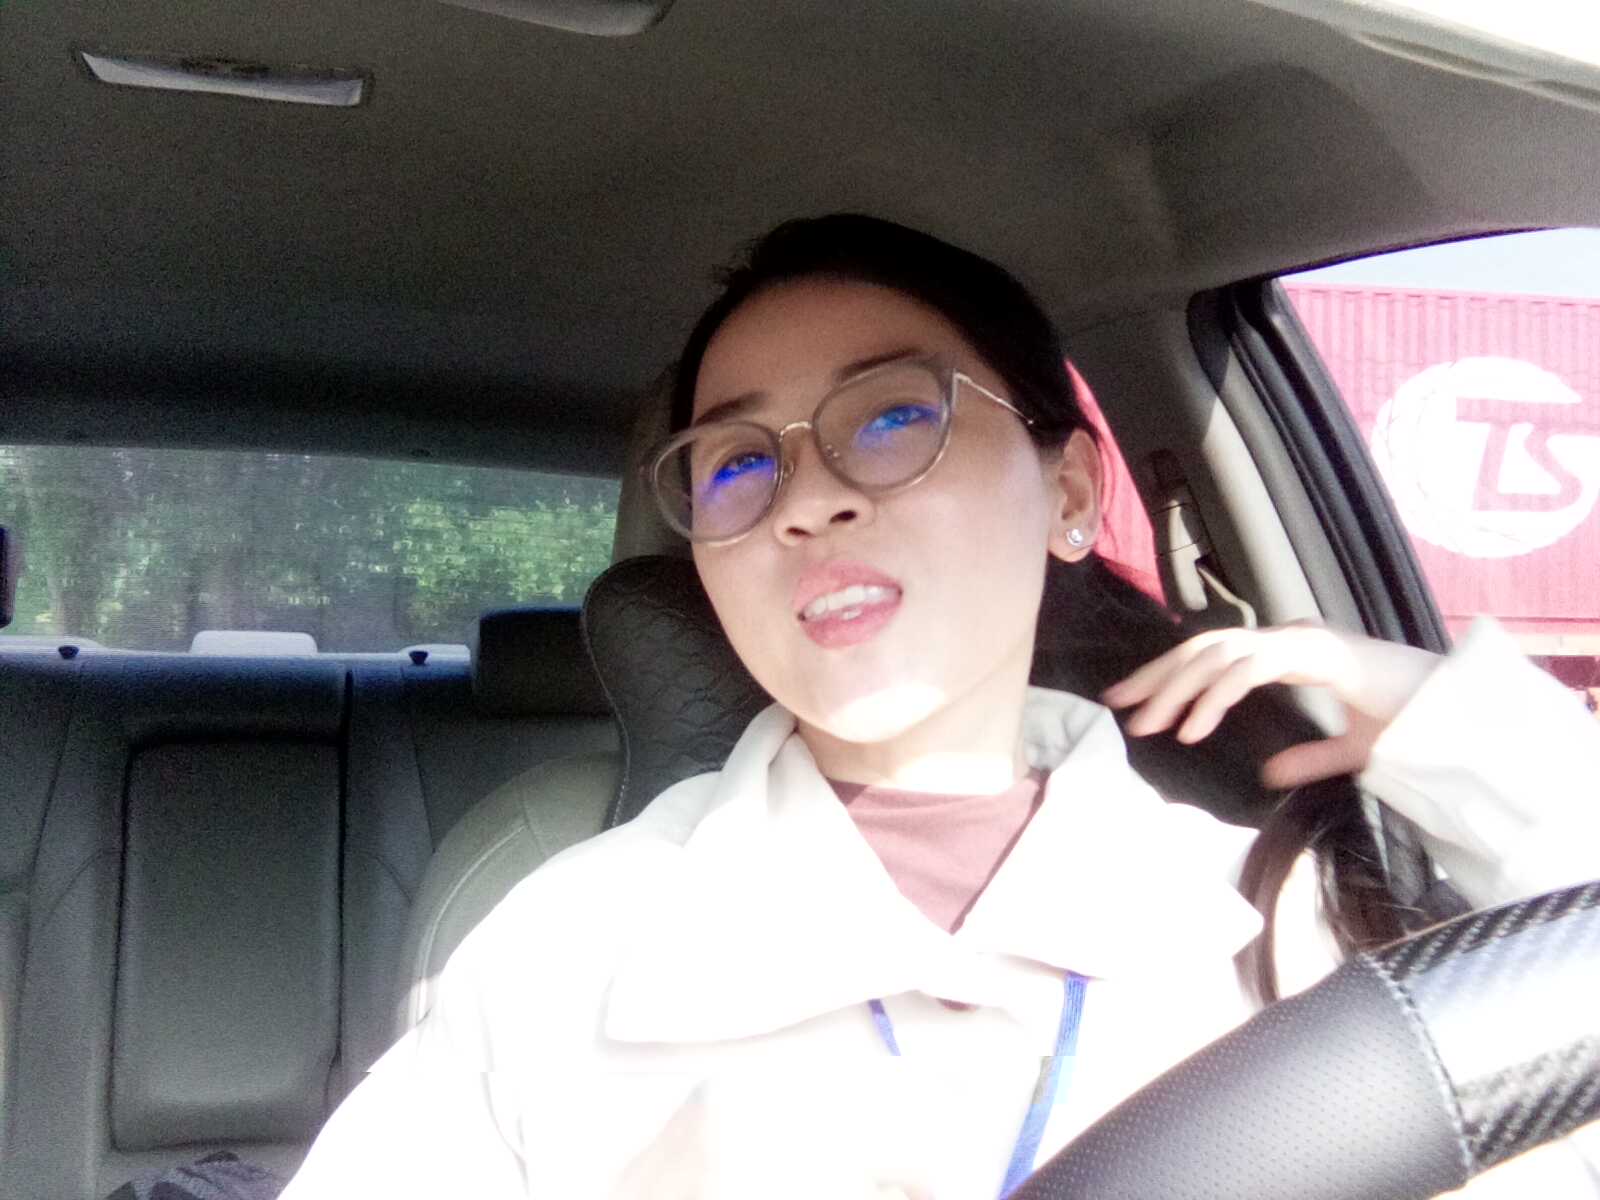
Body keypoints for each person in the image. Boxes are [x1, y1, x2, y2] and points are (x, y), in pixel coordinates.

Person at [280, 215, 1600, 1199]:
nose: (806, 501)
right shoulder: (570, 940)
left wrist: (1465, 728)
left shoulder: (1273, 907)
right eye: (737, 463)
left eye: (893, 417)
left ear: (1070, 495)